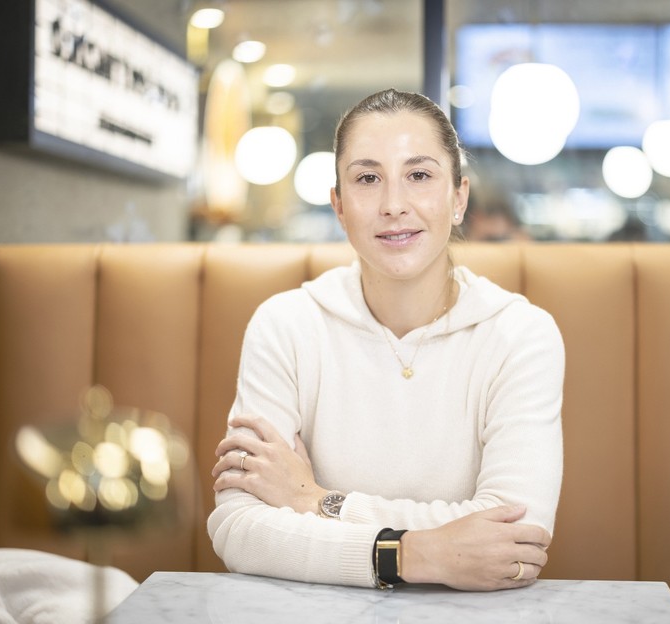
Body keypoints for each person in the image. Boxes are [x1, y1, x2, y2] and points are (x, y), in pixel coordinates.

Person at [207, 88, 565, 591]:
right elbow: (238, 529)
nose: (394, 205)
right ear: (339, 205)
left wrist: (318, 501)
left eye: (419, 175)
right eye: (368, 178)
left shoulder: (520, 334)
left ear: (458, 198)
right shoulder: (286, 324)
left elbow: (518, 540)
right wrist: (413, 554)